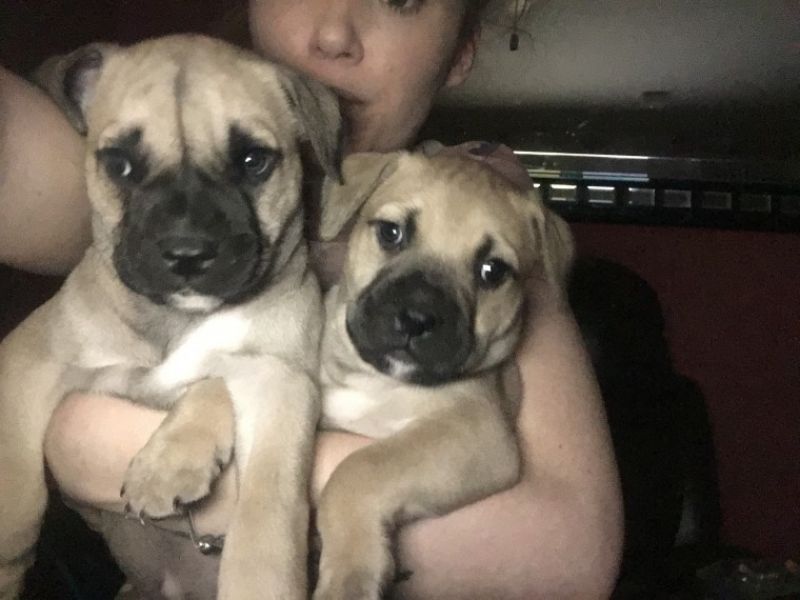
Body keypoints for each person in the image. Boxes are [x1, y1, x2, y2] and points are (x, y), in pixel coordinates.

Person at [0, 0, 624, 597]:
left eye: (399, 0)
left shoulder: (483, 203)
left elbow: (572, 560)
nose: (334, 34)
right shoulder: (139, 103)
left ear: (461, 51)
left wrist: (102, 449)